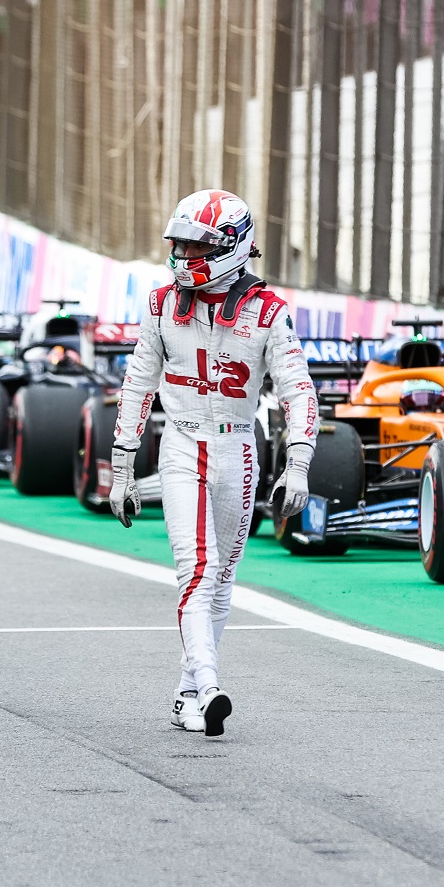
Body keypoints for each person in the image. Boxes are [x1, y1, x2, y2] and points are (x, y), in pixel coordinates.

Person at [109, 189, 318, 737]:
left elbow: (299, 392)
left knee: (222, 579)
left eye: (196, 246)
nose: (183, 257)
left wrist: (297, 464)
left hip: (238, 449)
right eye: (178, 245)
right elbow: (137, 384)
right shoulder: (159, 305)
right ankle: (208, 685)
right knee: (197, 572)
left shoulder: (269, 312)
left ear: (230, 248)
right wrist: (122, 465)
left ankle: (185, 697)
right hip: (180, 446)